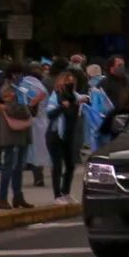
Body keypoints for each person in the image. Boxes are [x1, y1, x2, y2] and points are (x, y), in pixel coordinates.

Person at [0, 83, 34, 210]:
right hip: (11, 137)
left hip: (22, 137)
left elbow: (32, 112)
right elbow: (19, 113)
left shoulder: (21, 90)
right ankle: (3, 198)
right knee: (8, 168)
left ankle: (18, 196)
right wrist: (26, 103)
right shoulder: (8, 92)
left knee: (18, 169)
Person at [47, 70, 84, 199]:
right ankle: (57, 195)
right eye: (67, 80)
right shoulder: (56, 95)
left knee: (70, 165)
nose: (70, 83)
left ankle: (66, 192)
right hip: (56, 134)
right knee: (57, 165)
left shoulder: (75, 96)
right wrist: (62, 107)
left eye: (72, 81)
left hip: (69, 135)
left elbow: (83, 103)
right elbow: (50, 114)